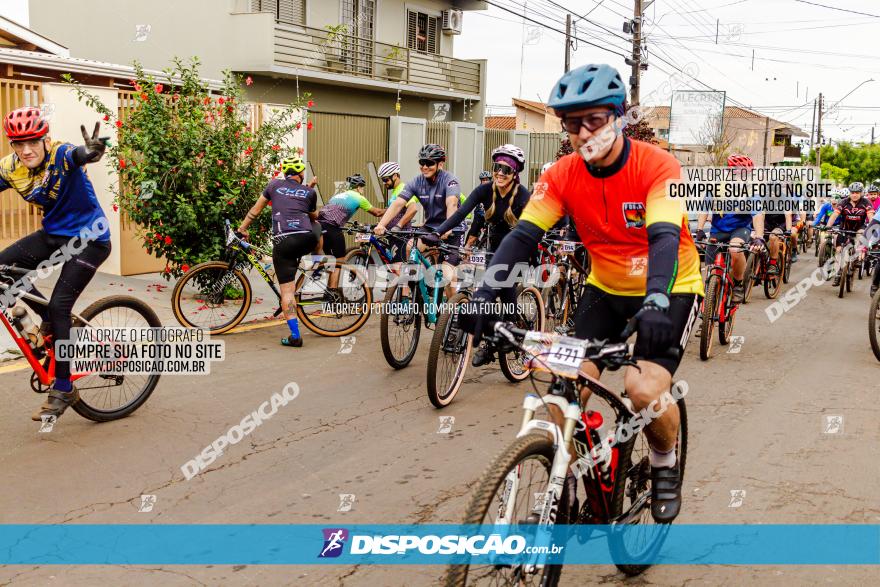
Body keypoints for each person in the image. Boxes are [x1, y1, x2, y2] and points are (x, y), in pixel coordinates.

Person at [460, 63, 703, 523]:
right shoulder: (561, 174)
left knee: (642, 387)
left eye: (594, 119)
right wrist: (487, 294)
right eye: (573, 123)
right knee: (561, 395)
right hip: (605, 290)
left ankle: (664, 464)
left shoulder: (658, 165)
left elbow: (666, 237)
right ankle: (557, 490)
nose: (582, 132)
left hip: (669, 288)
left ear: (618, 117)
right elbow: (522, 237)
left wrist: (654, 299)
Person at [0, 106, 111, 421]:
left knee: (61, 304)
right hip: (54, 235)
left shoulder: (61, 154)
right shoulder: (11, 168)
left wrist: (92, 150)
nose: (26, 150)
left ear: (45, 138)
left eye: (32, 141)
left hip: (90, 238)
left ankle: (63, 386)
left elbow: (81, 154)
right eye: (18, 144)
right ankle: (48, 321)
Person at [432, 144, 531, 367]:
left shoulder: (523, 196)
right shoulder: (485, 191)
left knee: (504, 286)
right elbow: (460, 213)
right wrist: (437, 233)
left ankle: (507, 334)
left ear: (515, 173)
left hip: (518, 250)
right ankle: (492, 334)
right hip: (493, 248)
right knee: (487, 291)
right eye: (497, 167)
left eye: (507, 169)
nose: (500, 173)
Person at [238, 156, 318, 348]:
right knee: (316, 226)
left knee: (287, 292)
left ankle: (295, 335)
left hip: (284, 241)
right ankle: (318, 262)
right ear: (300, 174)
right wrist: (310, 190)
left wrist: (241, 229)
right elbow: (314, 215)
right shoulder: (309, 191)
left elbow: (255, 211)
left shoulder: (273, 185)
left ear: (284, 173)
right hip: (307, 238)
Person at [374, 144, 463, 299]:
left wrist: (447, 228)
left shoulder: (450, 181)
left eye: (429, 163)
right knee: (409, 248)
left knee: (448, 276)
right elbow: (398, 204)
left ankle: (453, 313)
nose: (424, 167)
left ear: (440, 164)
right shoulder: (416, 182)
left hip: (452, 229)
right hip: (430, 228)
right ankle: (423, 287)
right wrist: (381, 224)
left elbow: (452, 204)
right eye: (422, 163)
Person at [695, 154, 765, 303]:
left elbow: (757, 215)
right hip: (718, 230)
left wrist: (759, 236)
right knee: (710, 271)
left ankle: (739, 285)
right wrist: (700, 230)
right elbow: (704, 208)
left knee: (735, 249)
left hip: (739, 229)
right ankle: (709, 311)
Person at [317, 174, 385, 294]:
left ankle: (327, 291)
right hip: (332, 228)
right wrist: (393, 209)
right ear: (358, 187)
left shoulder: (338, 195)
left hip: (319, 226)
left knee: (332, 260)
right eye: (362, 188)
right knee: (339, 260)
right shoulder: (359, 197)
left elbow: (335, 212)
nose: (362, 190)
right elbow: (377, 212)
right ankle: (333, 293)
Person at [825, 181, 874, 287]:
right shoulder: (843, 202)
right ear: (849, 193)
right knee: (838, 250)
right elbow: (834, 215)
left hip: (859, 228)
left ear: (861, 193)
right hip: (844, 228)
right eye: (852, 192)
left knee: (860, 236)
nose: (854, 194)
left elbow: (870, 218)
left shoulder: (866, 202)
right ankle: (838, 273)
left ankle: (855, 259)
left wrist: (871, 229)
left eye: (857, 192)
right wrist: (828, 226)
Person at [378, 161, 420, 264]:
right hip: (393, 235)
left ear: (395, 176)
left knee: (398, 269)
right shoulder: (395, 192)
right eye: (382, 180)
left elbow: (413, 208)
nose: (384, 183)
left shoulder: (403, 189)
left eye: (386, 179)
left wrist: (399, 225)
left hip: (401, 236)